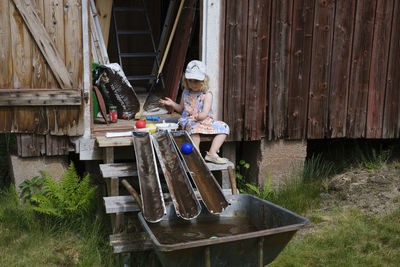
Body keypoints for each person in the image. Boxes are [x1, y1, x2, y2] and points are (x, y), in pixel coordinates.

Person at [159, 60, 230, 164]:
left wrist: (198, 116)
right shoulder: (186, 92)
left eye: (196, 81)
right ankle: (197, 156)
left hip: (205, 121)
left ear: (204, 80)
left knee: (224, 127)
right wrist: (173, 104)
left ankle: (212, 153)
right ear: (186, 80)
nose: (193, 84)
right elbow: (182, 109)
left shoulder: (207, 94)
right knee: (194, 129)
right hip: (190, 122)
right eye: (190, 80)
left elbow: (205, 113)